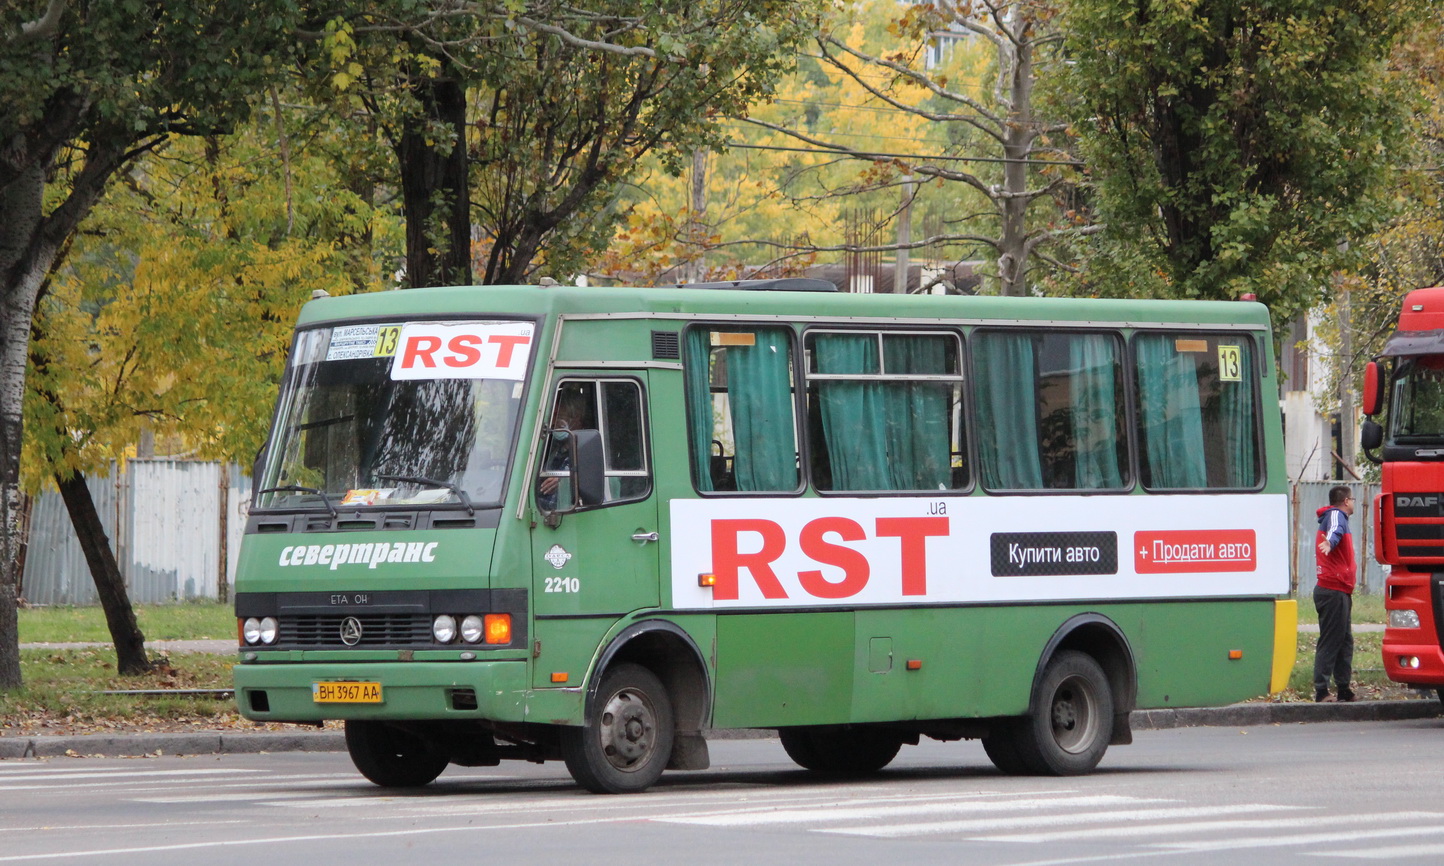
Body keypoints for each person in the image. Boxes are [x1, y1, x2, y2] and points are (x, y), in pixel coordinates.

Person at [1314, 485, 1357, 703]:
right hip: (1333, 589)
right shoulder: (1336, 515)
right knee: (1331, 640)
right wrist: (1330, 543)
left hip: (1339, 589)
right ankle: (1321, 690)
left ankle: (1343, 688)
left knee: (1344, 640)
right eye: (1353, 499)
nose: (1353, 503)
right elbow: (1335, 530)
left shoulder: (1335, 516)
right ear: (1346, 501)